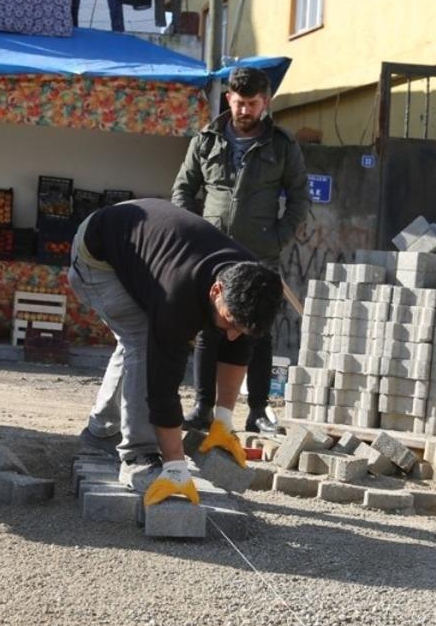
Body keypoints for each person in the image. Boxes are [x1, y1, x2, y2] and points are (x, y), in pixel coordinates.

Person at [70, 198, 283, 505]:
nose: (233, 334)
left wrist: (222, 420)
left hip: (144, 241)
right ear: (216, 291)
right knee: (143, 341)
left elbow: (238, 348)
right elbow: (162, 389)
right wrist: (175, 466)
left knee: (140, 339)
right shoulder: (177, 299)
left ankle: (101, 430)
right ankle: (138, 456)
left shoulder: (251, 283)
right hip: (96, 256)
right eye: (230, 322)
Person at [172, 66, 310, 434]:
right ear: (228, 99)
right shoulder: (206, 140)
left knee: (258, 332)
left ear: (265, 103)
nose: (244, 110)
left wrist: (276, 239)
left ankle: (258, 410)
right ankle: (202, 408)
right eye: (238, 102)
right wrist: (193, 234)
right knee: (208, 330)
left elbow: (299, 198)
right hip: (211, 255)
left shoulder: (282, 145)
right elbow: (182, 189)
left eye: (252, 104)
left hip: (259, 256)